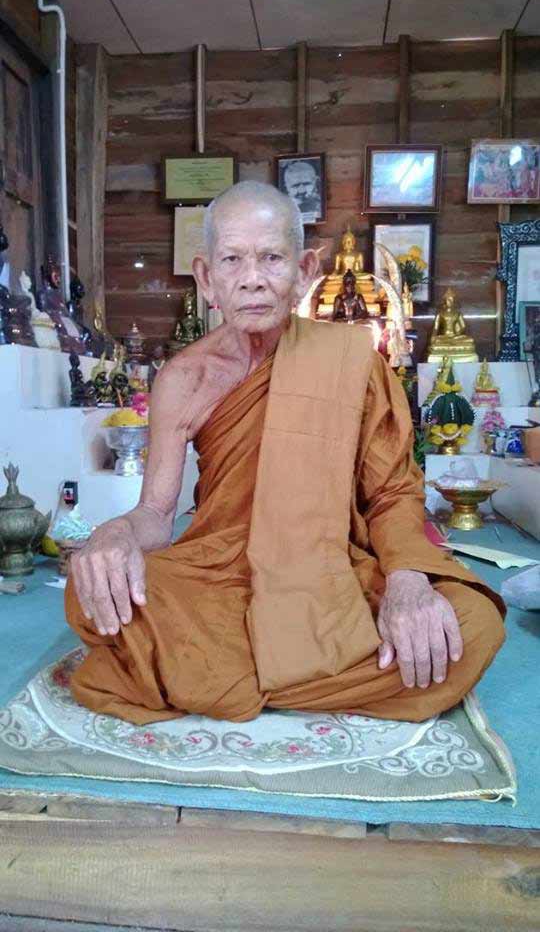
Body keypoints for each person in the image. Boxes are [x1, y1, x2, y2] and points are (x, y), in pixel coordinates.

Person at [66, 181, 505, 726]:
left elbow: (392, 493)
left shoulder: (350, 360)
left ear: (303, 271)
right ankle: (306, 673)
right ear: (207, 277)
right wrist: (114, 534)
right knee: (90, 589)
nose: (252, 278)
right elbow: (156, 513)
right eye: (232, 259)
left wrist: (408, 582)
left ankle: (208, 674)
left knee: (472, 621)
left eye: (271, 258)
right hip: (220, 576)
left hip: (329, 570)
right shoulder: (183, 378)